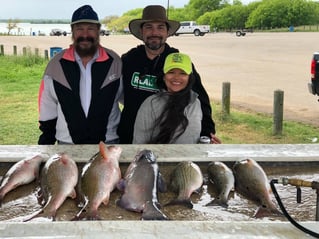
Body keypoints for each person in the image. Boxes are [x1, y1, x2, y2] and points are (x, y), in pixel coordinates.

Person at [118, 5, 221, 144]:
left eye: (160, 27)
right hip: (130, 138)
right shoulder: (128, 60)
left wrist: (207, 134)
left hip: (168, 139)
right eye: (149, 27)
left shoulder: (178, 62)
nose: (154, 32)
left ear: (167, 32)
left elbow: (201, 100)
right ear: (142, 31)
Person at [38, 5, 122, 144]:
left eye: (90, 28)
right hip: (67, 144)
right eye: (79, 29)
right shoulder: (56, 64)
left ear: (98, 31)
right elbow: (47, 105)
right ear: (72, 32)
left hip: (108, 144)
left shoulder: (115, 61)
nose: (85, 34)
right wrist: (46, 139)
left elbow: (128, 100)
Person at [133, 52, 202, 144]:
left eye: (183, 73)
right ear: (164, 77)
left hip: (190, 158)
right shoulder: (150, 104)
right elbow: (139, 144)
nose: (176, 77)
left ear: (189, 78)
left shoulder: (195, 103)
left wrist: (208, 145)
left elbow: (193, 139)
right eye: (171, 72)